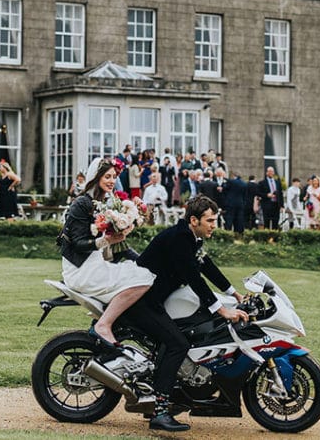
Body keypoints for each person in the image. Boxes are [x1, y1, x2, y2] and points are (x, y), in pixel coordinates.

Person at [134, 195, 249, 432]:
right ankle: (160, 412)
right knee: (177, 343)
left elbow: (206, 266)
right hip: (144, 302)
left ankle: (174, 396)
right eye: (210, 220)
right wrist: (222, 310)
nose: (214, 225)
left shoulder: (190, 237)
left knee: (184, 332)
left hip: (156, 299)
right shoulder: (179, 240)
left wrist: (235, 295)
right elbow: (193, 278)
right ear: (194, 219)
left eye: (215, 220)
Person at [60, 157, 154, 348]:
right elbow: (78, 243)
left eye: (114, 176)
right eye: (107, 176)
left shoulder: (106, 204)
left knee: (145, 272)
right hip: (82, 269)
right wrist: (107, 240)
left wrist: (146, 261)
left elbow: (121, 249)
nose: (112, 181)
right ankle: (104, 324)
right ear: (96, 177)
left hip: (96, 264)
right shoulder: (82, 203)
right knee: (143, 281)